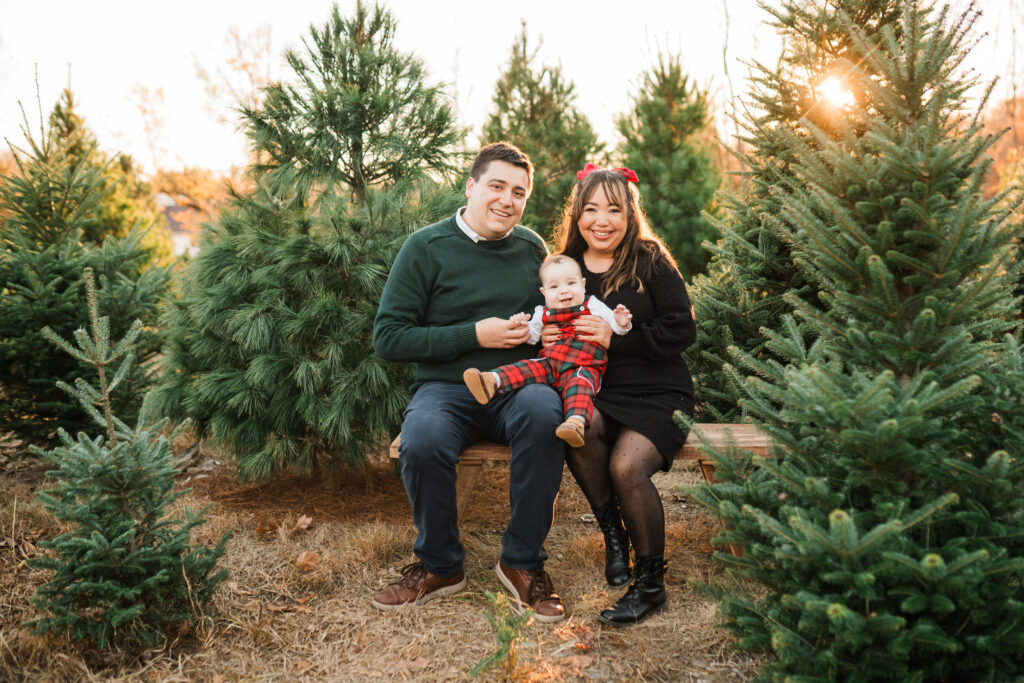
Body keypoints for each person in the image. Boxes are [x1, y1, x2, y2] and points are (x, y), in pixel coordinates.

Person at [371, 142, 566, 623]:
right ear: (471, 187)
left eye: (519, 192)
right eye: (497, 186)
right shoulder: (425, 247)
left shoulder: (531, 248)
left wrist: (553, 331)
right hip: (447, 390)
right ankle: (440, 566)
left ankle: (521, 562)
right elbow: (389, 338)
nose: (507, 200)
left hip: (516, 385)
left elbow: (550, 314)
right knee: (422, 439)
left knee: (546, 414)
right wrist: (474, 334)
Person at [550, 163, 696, 625]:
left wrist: (618, 339)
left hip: (657, 392)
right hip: (598, 392)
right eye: (591, 209)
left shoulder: (649, 259)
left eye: (614, 209)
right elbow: (542, 314)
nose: (602, 220)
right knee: (579, 426)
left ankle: (650, 584)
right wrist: (546, 338)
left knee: (626, 467)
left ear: (630, 214)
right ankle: (614, 536)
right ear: (577, 215)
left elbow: (681, 328)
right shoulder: (568, 268)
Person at [462, 253, 632, 448]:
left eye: (571, 283)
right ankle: (491, 381)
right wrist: (520, 323)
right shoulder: (541, 312)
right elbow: (532, 336)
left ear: (583, 284)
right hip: (551, 364)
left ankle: (575, 422)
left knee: (580, 386)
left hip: (583, 365)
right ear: (544, 292)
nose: (563, 291)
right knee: (526, 367)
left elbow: (616, 328)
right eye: (554, 287)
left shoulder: (592, 305)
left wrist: (621, 322)